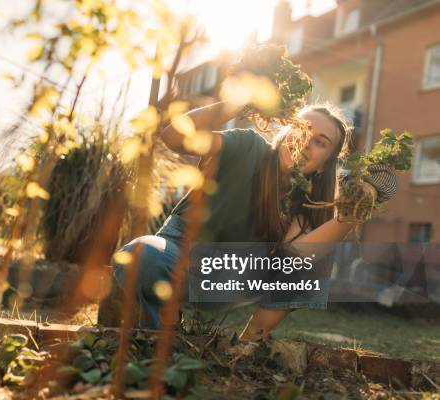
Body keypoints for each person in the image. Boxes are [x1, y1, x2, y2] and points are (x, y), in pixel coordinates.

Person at [109, 101, 397, 341]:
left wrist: (351, 215)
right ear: (286, 130)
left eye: (320, 142)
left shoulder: (307, 202)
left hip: (228, 277)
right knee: (139, 256)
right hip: (176, 253)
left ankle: (245, 347)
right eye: (302, 129)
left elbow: (297, 259)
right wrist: (239, 99)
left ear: (324, 165)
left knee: (308, 261)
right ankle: (161, 337)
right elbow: (173, 138)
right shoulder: (248, 146)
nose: (306, 142)